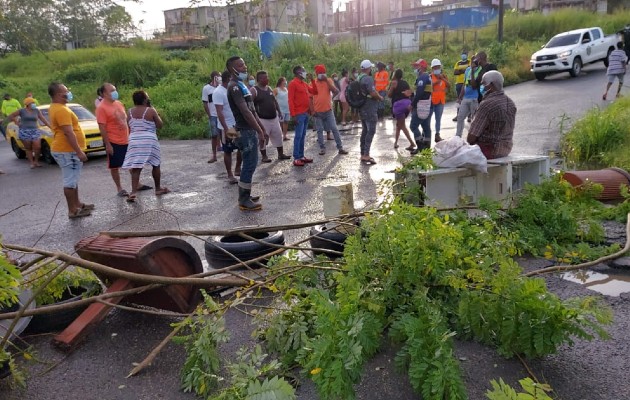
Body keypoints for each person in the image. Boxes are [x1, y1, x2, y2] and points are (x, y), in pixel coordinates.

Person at [47, 82, 93, 219]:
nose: (68, 93)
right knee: (69, 181)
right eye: (65, 92)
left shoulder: (58, 107)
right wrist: (79, 151)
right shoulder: (61, 110)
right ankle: (72, 210)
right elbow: (68, 132)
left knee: (73, 179)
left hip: (66, 150)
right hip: (67, 150)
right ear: (57, 95)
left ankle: (77, 204)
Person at [226, 56, 266, 211]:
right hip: (245, 131)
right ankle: (243, 199)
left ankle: (246, 194)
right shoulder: (234, 87)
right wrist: (258, 130)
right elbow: (244, 111)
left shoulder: (241, 85)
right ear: (232, 68)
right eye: (241, 65)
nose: (244, 67)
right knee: (249, 164)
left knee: (251, 163)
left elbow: (252, 109)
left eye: (244, 64)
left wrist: (261, 128)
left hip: (250, 130)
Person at [122, 90, 169, 202]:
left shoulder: (129, 112)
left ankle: (133, 192)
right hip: (149, 140)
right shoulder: (151, 110)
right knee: (155, 164)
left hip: (134, 140)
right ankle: (158, 188)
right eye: (147, 98)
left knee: (136, 167)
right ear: (144, 100)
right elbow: (160, 125)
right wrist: (153, 111)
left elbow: (129, 125)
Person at [467, 71, 516, 160]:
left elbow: (471, 137)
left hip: (489, 150)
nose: (481, 86)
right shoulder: (510, 103)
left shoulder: (487, 104)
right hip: (506, 149)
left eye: (483, 84)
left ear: (491, 85)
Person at [96, 83, 134, 197]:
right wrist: (108, 144)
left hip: (126, 139)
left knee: (132, 163)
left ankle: (137, 184)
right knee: (115, 166)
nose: (114, 92)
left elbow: (125, 120)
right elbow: (102, 127)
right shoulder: (101, 108)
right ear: (104, 93)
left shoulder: (119, 104)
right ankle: (119, 188)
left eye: (115, 90)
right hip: (113, 140)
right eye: (111, 90)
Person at [251, 70, 292, 161]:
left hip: (274, 118)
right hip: (262, 119)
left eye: (267, 77)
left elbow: (274, 101)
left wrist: (279, 111)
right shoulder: (254, 90)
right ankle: (264, 157)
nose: (267, 79)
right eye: (265, 77)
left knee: (279, 136)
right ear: (260, 79)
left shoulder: (269, 88)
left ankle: (280, 154)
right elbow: (250, 104)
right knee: (263, 138)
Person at [310, 64, 349, 156]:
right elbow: (310, 98)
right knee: (319, 130)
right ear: (316, 74)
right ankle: (322, 148)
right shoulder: (312, 83)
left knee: (334, 128)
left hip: (328, 110)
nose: (322, 74)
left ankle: (340, 148)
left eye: (323, 72)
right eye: (320, 73)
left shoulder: (329, 81)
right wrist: (312, 111)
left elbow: (336, 91)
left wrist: (326, 81)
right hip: (317, 112)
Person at [5, 97, 52, 168]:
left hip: (35, 130)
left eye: (34, 103)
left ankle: (36, 161)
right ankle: (32, 163)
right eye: (32, 103)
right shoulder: (22, 111)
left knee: (37, 147)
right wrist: (17, 123)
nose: (34, 104)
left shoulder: (36, 111)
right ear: (28, 104)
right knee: (28, 148)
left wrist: (50, 126)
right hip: (24, 131)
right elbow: (11, 116)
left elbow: (43, 119)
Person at [214, 70, 242, 184]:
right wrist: (226, 128)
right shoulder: (218, 92)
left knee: (241, 148)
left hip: (238, 124)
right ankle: (230, 174)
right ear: (229, 78)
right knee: (228, 150)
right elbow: (219, 112)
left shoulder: (234, 89)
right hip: (228, 126)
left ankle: (238, 168)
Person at [288, 65, 316, 167]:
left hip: (305, 113)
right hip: (298, 114)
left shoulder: (304, 83)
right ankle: (296, 158)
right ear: (298, 72)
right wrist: (293, 115)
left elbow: (314, 91)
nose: (305, 72)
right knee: (298, 136)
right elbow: (290, 100)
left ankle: (301, 155)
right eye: (303, 70)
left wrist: (312, 80)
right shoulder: (293, 84)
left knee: (303, 135)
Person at [357, 59, 383, 165]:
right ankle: (366, 155)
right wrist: (380, 97)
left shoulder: (359, 78)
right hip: (369, 108)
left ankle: (363, 153)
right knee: (371, 131)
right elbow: (372, 93)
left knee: (364, 130)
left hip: (362, 108)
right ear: (368, 68)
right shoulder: (368, 79)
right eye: (371, 68)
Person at [387, 68, 415, 150]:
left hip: (398, 106)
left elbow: (389, 94)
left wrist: (391, 87)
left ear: (395, 75)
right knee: (398, 125)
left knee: (402, 125)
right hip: (407, 103)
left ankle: (412, 143)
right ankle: (395, 143)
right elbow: (409, 93)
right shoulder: (405, 83)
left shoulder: (394, 83)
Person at [409, 58, 433, 154]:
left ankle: (421, 147)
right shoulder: (426, 77)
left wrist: (412, 104)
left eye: (416, 66)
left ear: (422, 67)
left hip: (421, 106)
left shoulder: (422, 78)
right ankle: (427, 148)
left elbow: (419, 93)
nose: (415, 68)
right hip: (428, 106)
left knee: (413, 126)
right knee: (426, 127)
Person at [455, 58, 482, 138]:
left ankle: (475, 136)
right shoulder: (467, 70)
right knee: (460, 117)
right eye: (472, 61)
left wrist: (473, 71)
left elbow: (474, 85)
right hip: (465, 97)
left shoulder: (480, 71)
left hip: (474, 98)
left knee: (474, 119)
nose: (472, 63)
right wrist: (460, 97)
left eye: (474, 62)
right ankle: (458, 136)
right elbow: (464, 84)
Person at [202, 71, 221, 163]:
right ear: (214, 77)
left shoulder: (222, 88)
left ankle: (228, 152)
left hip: (223, 115)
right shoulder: (206, 88)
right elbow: (205, 103)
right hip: (213, 115)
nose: (220, 78)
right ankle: (214, 155)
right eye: (218, 77)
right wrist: (209, 115)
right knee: (214, 135)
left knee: (227, 134)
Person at [429, 58, 450, 143]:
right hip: (431, 101)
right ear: (432, 68)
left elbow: (448, 86)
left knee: (438, 119)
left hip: (441, 101)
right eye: (435, 67)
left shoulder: (444, 76)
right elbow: (427, 88)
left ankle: (437, 135)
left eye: (438, 67)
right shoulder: (430, 77)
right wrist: (436, 82)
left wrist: (442, 79)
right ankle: (425, 135)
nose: (437, 69)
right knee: (427, 120)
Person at [452, 50, 470, 122]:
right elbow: (455, 72)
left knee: (468, 99)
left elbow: (469, 70)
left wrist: (460, 70)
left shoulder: (469, 62)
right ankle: (458, 115)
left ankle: (469, 116)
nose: (463, 55)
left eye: (465, 54)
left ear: (467, 55)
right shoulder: (458, 63)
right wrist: (464, 70)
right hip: (459, 83)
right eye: (462, 54)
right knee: (459, 99)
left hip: (467, 82)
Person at [273, 77, 291, 141]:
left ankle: (284, 136)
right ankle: (279, 136)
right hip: (280, 109)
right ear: (281, 82)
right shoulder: (276, 89)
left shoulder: (286, 89)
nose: (285, 82)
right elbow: (272, 98)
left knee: (286, 122)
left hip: (287, 109)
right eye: (284, 80)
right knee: (280, 123)